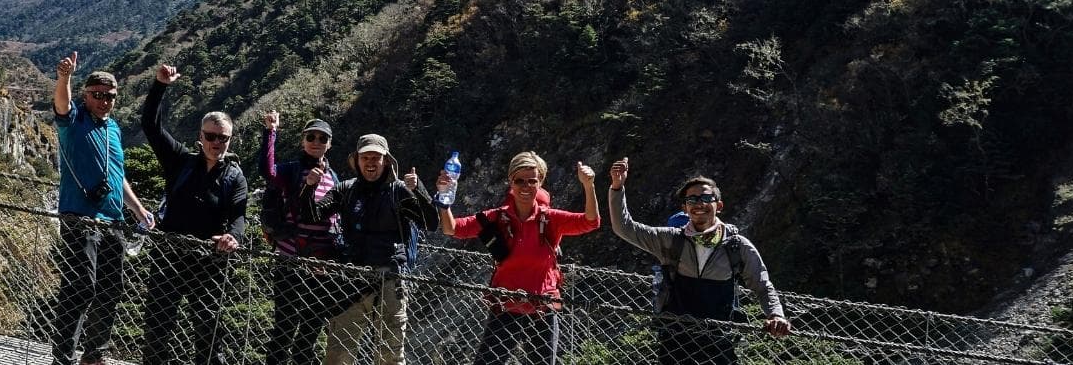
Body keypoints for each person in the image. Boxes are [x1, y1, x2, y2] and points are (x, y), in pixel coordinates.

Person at [606, 158, 790, 365]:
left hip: (719, 341)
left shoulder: (736, 246)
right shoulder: (671, 240)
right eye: (691, 200)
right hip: (675, 340)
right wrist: (617, 187)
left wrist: (776, 315)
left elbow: (763, 285)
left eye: (706, 198)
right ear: (685, 208)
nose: (699, 203)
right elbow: (624, 228)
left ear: (718, 205)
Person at [435, 153, 601, 365]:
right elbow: (452, 228)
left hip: (542, 308)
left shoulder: (550, 219)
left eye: (532, 181)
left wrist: (589, 186)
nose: (525, 186)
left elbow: (591, 222)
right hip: (505, 306)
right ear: (510, 182)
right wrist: (444, 199)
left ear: (540, 183)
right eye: (519, 180)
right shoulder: (496, 217)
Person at [138, 64, 248, 365]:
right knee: (158, 332)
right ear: (201, 136)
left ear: (229, 140)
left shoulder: (235, 177)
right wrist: (160, 86)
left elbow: (239, 215)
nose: (216, 143)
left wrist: (233, 237)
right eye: (211, 136)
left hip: (209, 263)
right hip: (168, 257)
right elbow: (151, 126)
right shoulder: (180, 161)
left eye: (222, 138)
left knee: (210, 335)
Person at [48, 53, 153, 365]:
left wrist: (137, 210)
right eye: (98, 95)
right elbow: (61, 106)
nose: (105, 101)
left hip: (112, 219)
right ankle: (63, 357)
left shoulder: (114, 129)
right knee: (81, 286)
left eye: (110, 96)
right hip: (79, 215)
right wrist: (64, 77)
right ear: (86, 95)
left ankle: (95, 355)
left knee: (111, 288)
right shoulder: (74, 120)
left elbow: (117, 178)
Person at [299, 134, 434, 365]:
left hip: (390, 278)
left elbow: (430, 223)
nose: (371, 162)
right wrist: (309, 188)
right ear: (357, 161)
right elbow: (312, 214)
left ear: (386, 161)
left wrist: (419, 189)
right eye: (365, 157)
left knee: (390, 354)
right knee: (339, 352)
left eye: (376, 157)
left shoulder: (399, 191)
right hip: (351, 277)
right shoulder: (346, 189)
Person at [256, 110, 344, 365]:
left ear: (329, 144)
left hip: (322, 265)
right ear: (303, 140)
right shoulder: (292, 170)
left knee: (310, 329)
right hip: (290, 258)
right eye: (311, 137)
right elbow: (267, 171)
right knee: (284, 326)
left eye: (322, 138)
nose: (316, 142)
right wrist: (271, 131)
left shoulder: (333, 177)